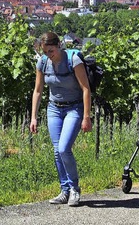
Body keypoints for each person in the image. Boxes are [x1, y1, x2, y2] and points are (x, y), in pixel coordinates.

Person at [29, 32, 92, 207]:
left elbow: (86, 89)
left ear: (59, 46)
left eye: (51, 51)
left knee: (64, 148)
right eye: (45, 52)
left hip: (74, 107)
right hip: (54, 108)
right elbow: (38, 90)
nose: (49, 55)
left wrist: (86, 117)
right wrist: (33, 117)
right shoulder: (42, 62)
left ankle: (74, 189)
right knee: (57, 151)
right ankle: (64, 190)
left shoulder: (74, 60)